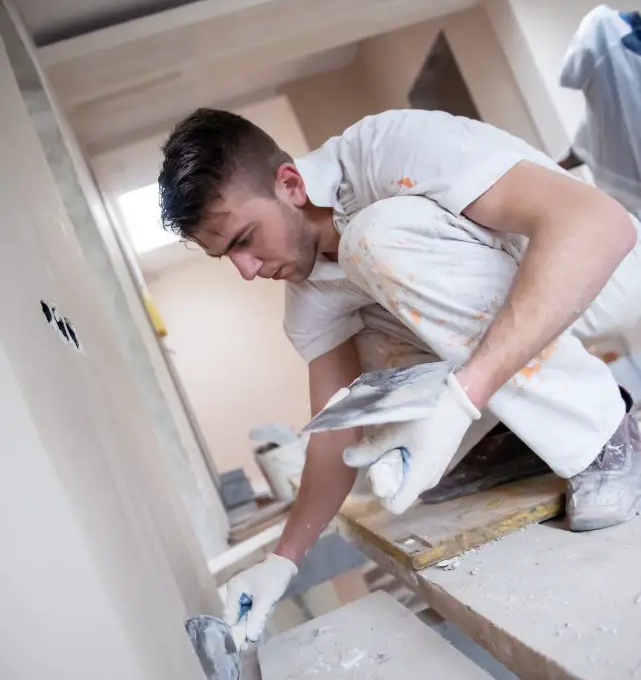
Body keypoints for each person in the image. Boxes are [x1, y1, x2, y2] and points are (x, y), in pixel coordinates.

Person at [158, 107, 641, 643]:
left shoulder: (387, 151)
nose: (246, 270)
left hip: (598, 277)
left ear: (291, 184)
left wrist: (460, 401)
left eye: (245, 239)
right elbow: (336, 432)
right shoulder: (309, 296)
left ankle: (602, 438)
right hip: (520, 329)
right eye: (227, 257)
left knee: (373, 241)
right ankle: (508, 439)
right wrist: (283, 560)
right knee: (375, 424)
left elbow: (600, 225)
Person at [558, 5, 641, 218]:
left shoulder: (603, 27)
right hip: (624, 200)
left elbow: (571, 75)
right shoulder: (604, 27)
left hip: (623, 198)